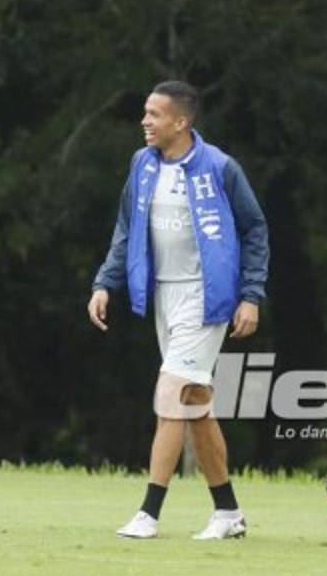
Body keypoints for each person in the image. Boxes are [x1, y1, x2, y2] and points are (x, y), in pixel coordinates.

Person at [88, 80, 269, 541]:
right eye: (145, 113)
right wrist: (105, 282)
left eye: (154, 114)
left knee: (170, 397)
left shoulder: (220, 167)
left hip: (207, 298)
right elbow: (126, 228)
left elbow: (254, 229)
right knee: (194, 408)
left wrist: (251, 294)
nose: (145, 121)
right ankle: (228, 512)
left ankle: (149, 512)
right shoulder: (143, 165)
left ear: (181, 122)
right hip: (163, 298)